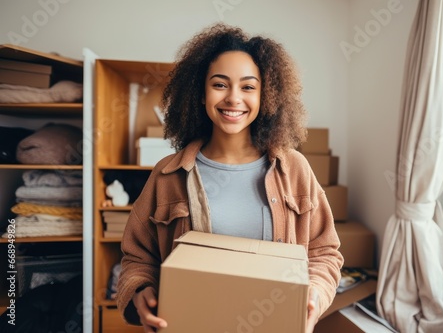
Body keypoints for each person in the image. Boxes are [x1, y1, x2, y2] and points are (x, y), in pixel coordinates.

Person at [116, 23, 344, 333]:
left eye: (248, 87)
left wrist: (315, 293)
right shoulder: (168, 174)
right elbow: (137, 258)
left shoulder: (294, 169)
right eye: (220, 84)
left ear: (266, 96)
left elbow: (324, 252)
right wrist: (141, 290)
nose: (233, 98)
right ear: (200, 92)